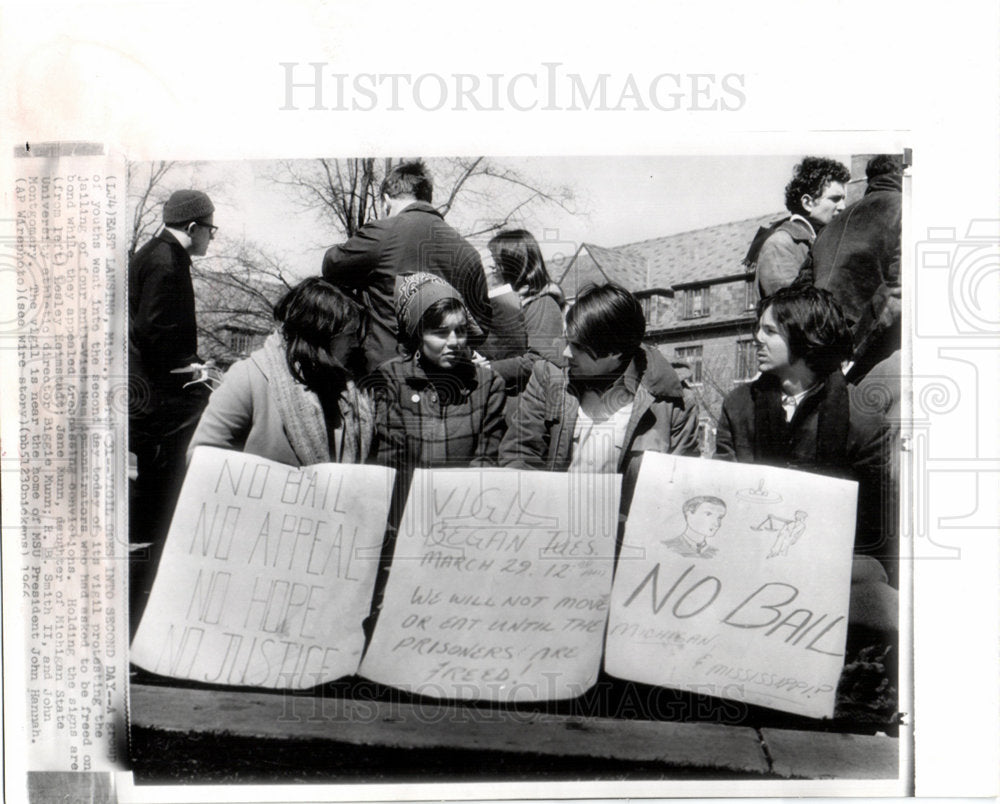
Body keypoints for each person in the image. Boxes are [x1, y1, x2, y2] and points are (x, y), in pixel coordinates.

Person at [714, 286, 897, 656]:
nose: (756, 338)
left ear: (805, 337)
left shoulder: (861, 419)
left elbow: (876, 532)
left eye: (770, 331)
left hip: (833, 567)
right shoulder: (738, 406)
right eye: (758, 328)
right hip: (747, 558)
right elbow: (722, 492)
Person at [499, 283, 699, 516]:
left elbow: (677, 492)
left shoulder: (672, 404)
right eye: (567, 341)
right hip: (552, 525)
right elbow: (520, 456)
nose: (565, 353)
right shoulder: (548, 378)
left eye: (578, 348)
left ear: (614, 353)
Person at [321, 160, 491, 374]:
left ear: (386, 201)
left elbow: (331, 266)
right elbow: (481, 326)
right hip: (448, 380)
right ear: (428, 199)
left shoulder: (381, 234)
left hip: (390, 376)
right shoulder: (468, 252)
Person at [188, 278, 375, 467]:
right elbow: (202, 459)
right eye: (350, 335)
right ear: (319, 335)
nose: (356, 343)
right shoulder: (248, 378)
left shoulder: (351, 387)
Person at [129, 189, 217, 546]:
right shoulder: (167, 262)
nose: (211, 237)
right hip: (156, 396)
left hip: (147, 386)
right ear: (194, 227)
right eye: (211, 230)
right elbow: (155, 334)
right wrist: (194, 369)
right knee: (169, 475)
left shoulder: (154, 253)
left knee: (156, 482)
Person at [368, 272, 506, 471]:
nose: (454, 343)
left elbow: (485, 463)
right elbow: (391, 462)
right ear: (418, 334)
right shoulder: (392, 379)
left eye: (460, 331)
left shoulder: (487, 384)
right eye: (441, 333)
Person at [797, 154, 903, 396]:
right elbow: (897, 295)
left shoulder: (828, 227)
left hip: (818, 359)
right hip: (870, 361)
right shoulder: (907, 210)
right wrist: (852, 352)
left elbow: (797, 295)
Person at [744, 157, 851, 298]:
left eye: (843, 199)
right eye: (835, 199)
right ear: (807, 202)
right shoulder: (780, 245)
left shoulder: (824, 241)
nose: (843, 207)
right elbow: (792, 311)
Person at [481, 229, 566, 392]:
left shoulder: (543, 304)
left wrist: (486, 369)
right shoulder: (503, 301)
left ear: (517, 261)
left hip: (529, 402)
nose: (491, 264)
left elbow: (539, 361)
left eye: (496, 258)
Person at [662, 496, 727, 558]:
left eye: (719, 517)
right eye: (708, 514)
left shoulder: (715, 553)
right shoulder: (667, 547)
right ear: (689, 514)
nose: (717, 523)